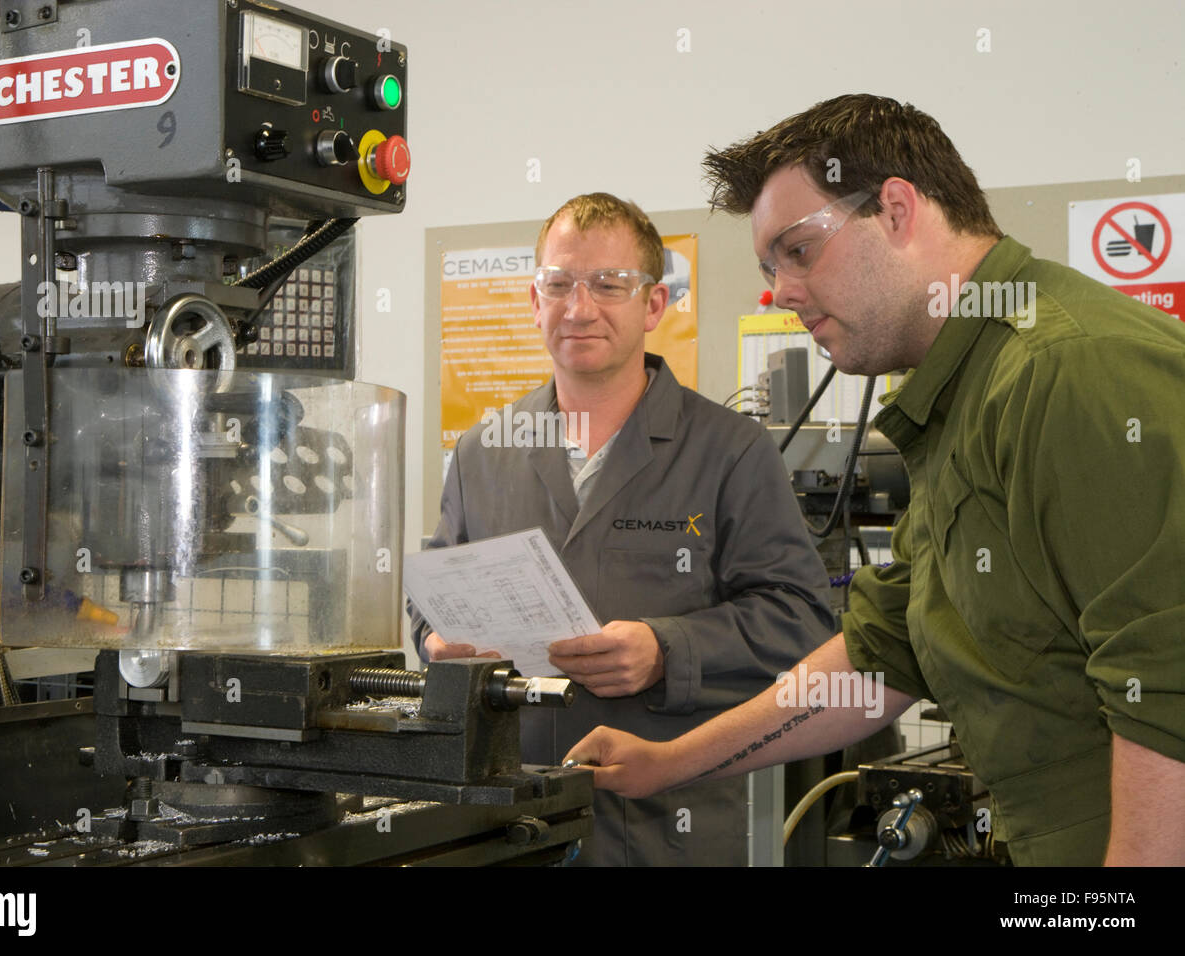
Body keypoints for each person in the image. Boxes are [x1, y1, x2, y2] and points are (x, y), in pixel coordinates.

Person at [566, 95, 1185, 867]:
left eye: (799, 251)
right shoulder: (960, 396)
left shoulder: (1067, 368)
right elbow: (879, 655)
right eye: (768, 268)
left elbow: (1167, 684)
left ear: (896, 209)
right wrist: (672, 760)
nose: (782, 292)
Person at [410, 192, 835, 866]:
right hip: (503, 825)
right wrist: (435, 638)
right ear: (534, 300)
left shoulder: (732, 451)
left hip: (665, 829)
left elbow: (806, 624)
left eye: (610, 285)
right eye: (560, 285)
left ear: (655, 305)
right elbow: (429, 594)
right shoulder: (483, 449)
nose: (580, 308)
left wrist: (667, 650)